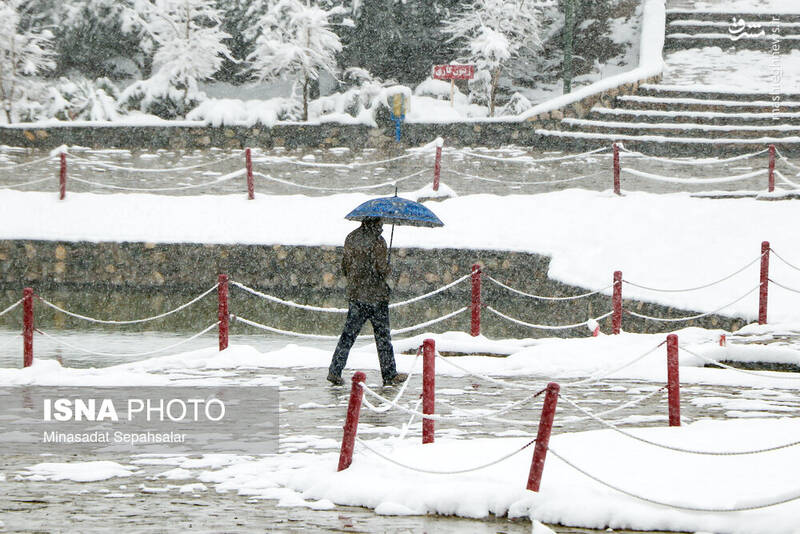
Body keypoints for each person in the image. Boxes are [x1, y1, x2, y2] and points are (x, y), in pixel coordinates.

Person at [328, 217, 408, 386]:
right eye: (381, 223)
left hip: (356, 295)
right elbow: (381, 269)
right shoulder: (378, 242)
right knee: (383, 338)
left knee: (348, 336)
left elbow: (345, 267)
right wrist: (388, 267)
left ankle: (335, 370)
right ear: (376, 223)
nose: (383, 227)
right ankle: (389, 374)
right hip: (376, 297)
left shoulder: (351, 238)